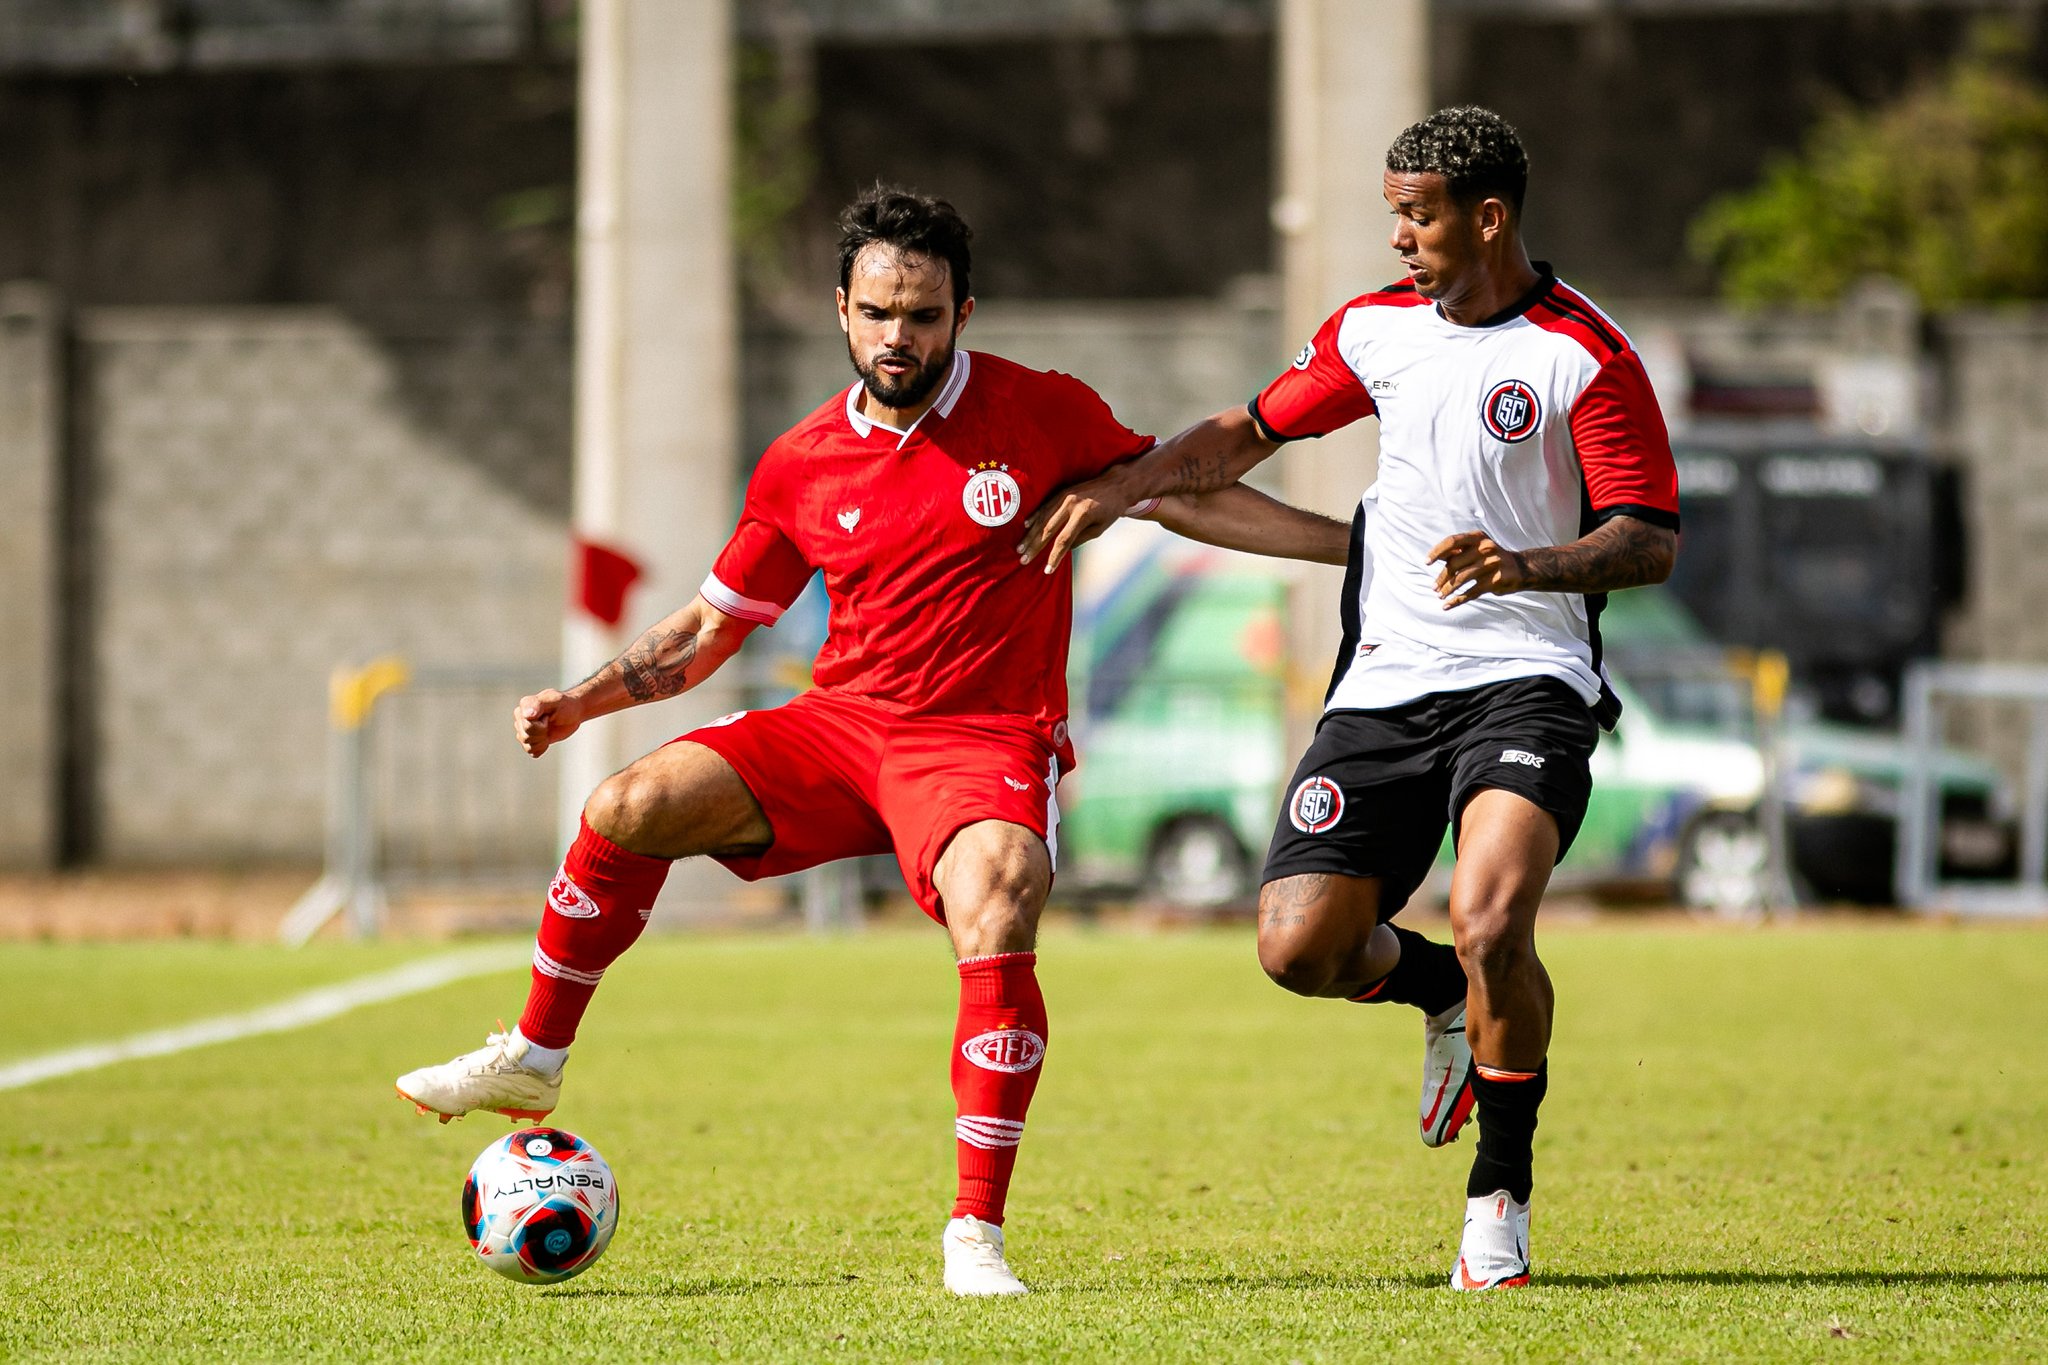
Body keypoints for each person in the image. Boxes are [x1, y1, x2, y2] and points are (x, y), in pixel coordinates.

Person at [395, 185, 1350, 1296]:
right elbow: (709, 628)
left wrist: (1350, 548)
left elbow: (1176, 493)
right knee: (626, 806)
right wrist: (581, 702)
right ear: (841, 312)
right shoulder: (799, 461)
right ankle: (535, 1055)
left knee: (1001, 886)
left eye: (924, 316)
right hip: (841, 726)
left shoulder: (1039, 411)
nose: (899, 337)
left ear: (963, 312)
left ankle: (972, 1237)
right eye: (878, 313)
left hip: (979, 734)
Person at [1019, 107, 1679, 1290]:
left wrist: (1524, 564)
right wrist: (1130, 485)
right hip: (1381, 685)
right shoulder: (1372, 332)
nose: (1399, 242)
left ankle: (1498, 1195)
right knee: (1296, 948)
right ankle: (1434, 994)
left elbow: (1648, 541)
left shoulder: (1587, 354)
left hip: (1526, 682)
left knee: (1490, 919)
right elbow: (1247, 432)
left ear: (1487, 217)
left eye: (1415, 218)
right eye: (1392, 217)